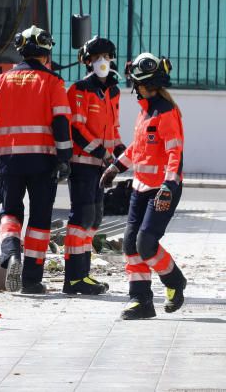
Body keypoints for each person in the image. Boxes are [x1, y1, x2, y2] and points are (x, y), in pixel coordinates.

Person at [0, 26, 72, 294]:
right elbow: (60, 124)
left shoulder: (3, 80)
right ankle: (31, 280)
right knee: (41, 219)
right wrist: (65, 158)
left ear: (20, 50)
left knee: (10, 212)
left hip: (9, 159)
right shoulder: (53, 82)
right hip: (43, 161)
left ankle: (11, 255)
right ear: (46, 53)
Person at [102, 53, 187, 320]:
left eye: (136, 83)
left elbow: (176, 153)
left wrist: (168, 185)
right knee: (130, 244)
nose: (133, 87)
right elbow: (138, 149)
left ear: (144, 83)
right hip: (140, 188)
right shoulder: (145, 111)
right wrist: (116, 167)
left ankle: (175, 282)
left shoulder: (166, 112)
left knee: (146, 243)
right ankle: (141, 301)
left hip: (163, 189)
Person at [63, 36, 125, 295]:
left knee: (94, 220)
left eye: (107, 57)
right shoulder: (79, 89)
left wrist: (122, 151)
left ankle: (83, 276)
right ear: (87, 61)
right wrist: (102, 152)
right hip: (83, 164)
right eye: (96, 57)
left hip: (102, 167)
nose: (102, 62)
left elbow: (113, 129)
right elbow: (76, 128)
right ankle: (73, 279)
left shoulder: (113, 91)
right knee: (81, 218)